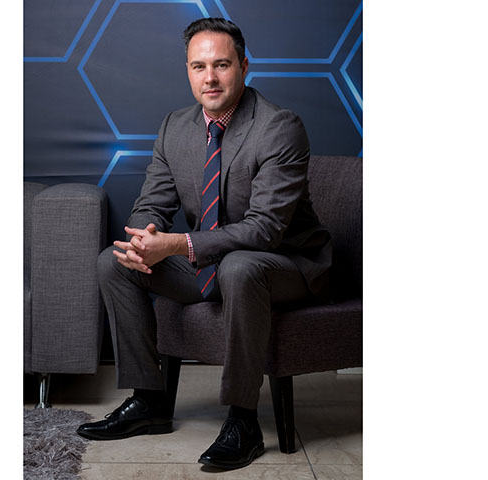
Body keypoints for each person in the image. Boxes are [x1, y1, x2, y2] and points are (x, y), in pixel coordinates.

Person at [77, 17, 332, 470]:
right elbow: (151, 204)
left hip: (285, 265)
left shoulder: (279, 127)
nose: (209, 77)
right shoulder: (175, 127)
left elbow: (264, 230)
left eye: (221, 65)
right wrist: (144, 239)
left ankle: (243, 420)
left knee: (240, 266)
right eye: (199, 67)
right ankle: (149, 400)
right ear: (188, 72)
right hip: (211, 262)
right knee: (115, 262)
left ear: (244, 66)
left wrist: (177, 244)